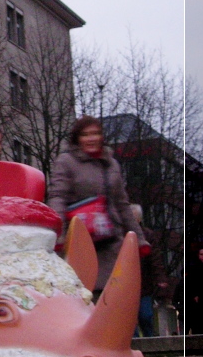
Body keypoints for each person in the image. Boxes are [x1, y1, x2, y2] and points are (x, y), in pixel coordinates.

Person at [47, 116, 148, 295]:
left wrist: (139, 239)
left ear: (102, 136)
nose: (91, 138)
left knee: (114, 295)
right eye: (85, 135)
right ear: (77, 139)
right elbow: (58, 198)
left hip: (111, 240)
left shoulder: (111, 164)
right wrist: (59, 234)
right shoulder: (67, 162)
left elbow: (123, 205)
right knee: (85, 294)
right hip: (81, 240)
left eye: (95, 133)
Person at [129, 204, 169, 337]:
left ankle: (149, 339)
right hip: (126, 286)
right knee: (129, 321)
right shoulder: (120, 236)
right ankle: (134, 345)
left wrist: (160, 279)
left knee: (145, 316)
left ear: (139, 220)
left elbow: (155, 259)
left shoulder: (147, 235)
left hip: (143, 285)